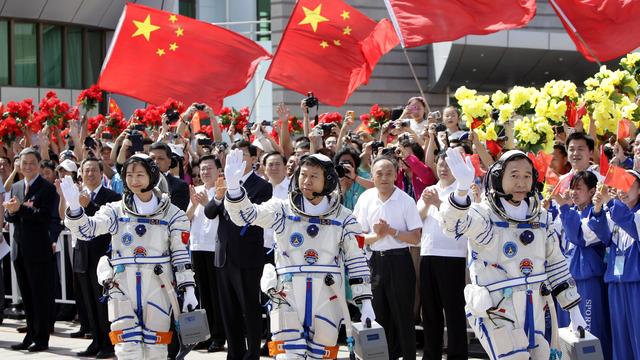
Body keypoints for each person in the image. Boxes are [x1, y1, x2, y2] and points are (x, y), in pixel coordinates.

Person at [223, 150, 374, 359]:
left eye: (314, 176)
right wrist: (233, 189)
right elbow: (246, 216)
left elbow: (357, 260)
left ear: (328, 181)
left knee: (321, 355)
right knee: (289, 355)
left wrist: (365, 302)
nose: (306, 181)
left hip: (327, 297)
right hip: (288, 294)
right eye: (303, 175)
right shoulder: (282, 210)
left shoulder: (344, 218)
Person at [440, 148, 586, 360]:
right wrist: (462, 189)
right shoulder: (485, 215)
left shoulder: (541, 218)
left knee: (543, 356)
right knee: (514, 357)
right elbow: (452, 225)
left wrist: (574, 310)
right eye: (514, 175)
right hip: (498, 309)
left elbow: (556, 264)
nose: (521, 182)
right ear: (498, 178)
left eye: (527, 176)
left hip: (535, 307)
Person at [61, 154, 198, 360]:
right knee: (127, 349)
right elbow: (87, 230)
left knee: (156, 349)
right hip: (122, 287)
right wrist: (74, 207)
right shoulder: (115, 211)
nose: (134, 180)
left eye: (140, 175)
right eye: (129, 175)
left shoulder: (173, 214)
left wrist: (188, 290)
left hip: (158, 286)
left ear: (152, 176)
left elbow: (180, 255)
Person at [204, 141, 272, 360]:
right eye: (233, 155)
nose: (237, 160)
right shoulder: (222, 182)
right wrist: (218, 195)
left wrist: (234, 190)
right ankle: (234, 353)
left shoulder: (261, 186)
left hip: (247, 256)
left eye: (243, 155)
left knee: (249, 308)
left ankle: (252, 353)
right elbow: (210, 212)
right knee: (228, 309)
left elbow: (249, 216)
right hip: (223, 254)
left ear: (253, 159)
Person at [354, 156, 422, 360]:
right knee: (379, 315)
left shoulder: (405, 200)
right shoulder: (366, 198)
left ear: (396, 174)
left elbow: (416, 237)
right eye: (379, 173)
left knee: (403, 317)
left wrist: (390, 231)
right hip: (375, 263)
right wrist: (377, 235)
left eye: (388, 173)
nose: (384, 177)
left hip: (400, 261)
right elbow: (358, 237)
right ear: (372, 176)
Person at [553, 171, 611, 359]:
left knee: (589, 332)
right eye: (572, 188)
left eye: (579, 188)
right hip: (570, 282)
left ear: (593, 191)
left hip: (589, 282)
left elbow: (579, 236)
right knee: (570, 335)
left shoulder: (598, 215)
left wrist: (564, 207)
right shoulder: (571, 212)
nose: (573, 193)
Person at [5, 147, 57, 352]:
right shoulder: (16, 186)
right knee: (26, 295)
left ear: (38, 164)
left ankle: (42, 338)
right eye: (24, 163)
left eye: (31, 163)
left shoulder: (47, 188)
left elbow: (44, 216)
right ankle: (30, 335)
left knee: (39, 295)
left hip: (38, 250)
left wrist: (21, 209)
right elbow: (12, 217)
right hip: (19, 248)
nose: (27, 166)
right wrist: (10, 212)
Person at [418, 152, 468, 360]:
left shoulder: (462, 190)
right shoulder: (429, 190)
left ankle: (457, 355)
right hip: (428, 253)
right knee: (430, 311)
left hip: (453, 256)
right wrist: (428, 203)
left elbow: (461, 219)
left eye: (449, 164)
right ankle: (431, 355)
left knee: (454, 310)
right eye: (440, 164)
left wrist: (438, 203)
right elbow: (417, 218)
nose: (444, 168)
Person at [71, 158, 121, 358]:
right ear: (81, 174)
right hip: (82, 254)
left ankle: (109, 344)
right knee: (88, 302)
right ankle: (96, 340)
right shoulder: (77, 196)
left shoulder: (112, 196)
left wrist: (89, 205)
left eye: (94, 170)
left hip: (103, 258)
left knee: (103, 304)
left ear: (101, 173)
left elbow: (106, 221)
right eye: (86, 170)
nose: (90, 174)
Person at [590, 171, 640, 360]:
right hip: (616, 286)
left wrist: (610, 202)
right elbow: (602, 233)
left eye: (627, 184)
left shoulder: (630, 215)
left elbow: (629, 221)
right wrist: (597, 208)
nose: (622, 190)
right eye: (618, 186)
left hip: (636, 285)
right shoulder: (616, 215)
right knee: (621, 340)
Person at [186, 155, 226, 353]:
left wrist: (207, 202)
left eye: (209, 168)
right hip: (197, 246)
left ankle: (219, 336)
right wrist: (194, 203)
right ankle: (204, 335)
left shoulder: (223, 191)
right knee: (202, 293)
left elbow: (223, 216)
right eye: (202, 169)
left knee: (216, 294)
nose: (205, 172)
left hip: (215, 248)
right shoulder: (198, 190)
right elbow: (187, 218)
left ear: (219, 170)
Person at [150, 142, 189, 211]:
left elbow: (177, 214)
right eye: (152, 158)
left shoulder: (180, 186)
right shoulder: (140, 182)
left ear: (169, 162)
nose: (156, 162)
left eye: (161, 158)